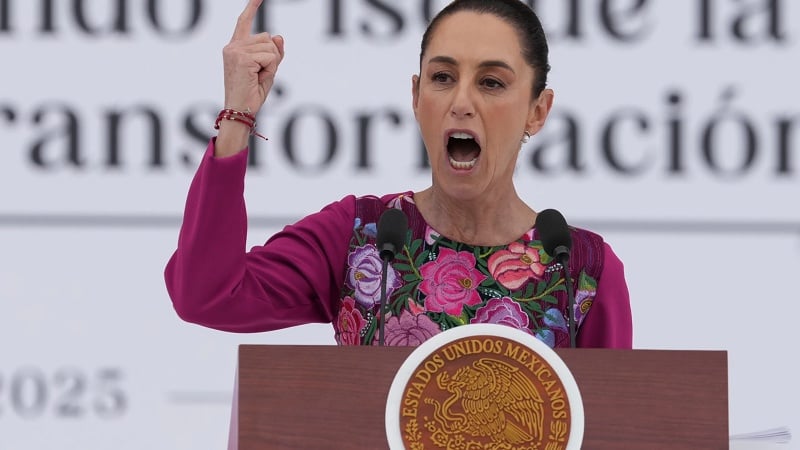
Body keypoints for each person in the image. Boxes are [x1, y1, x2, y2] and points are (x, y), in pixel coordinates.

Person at [164, 0, 633, 348]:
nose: (461, 102)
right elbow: (205, 296)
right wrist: (237, 117)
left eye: (491, 82)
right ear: (416, 96)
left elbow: (614, 426)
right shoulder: (363, 236)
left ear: (537, 111)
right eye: (442, 77)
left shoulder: (580, 271)